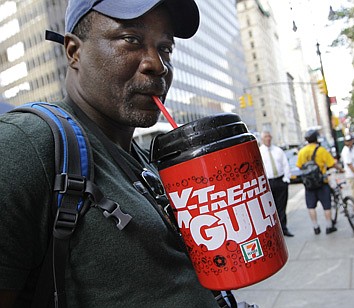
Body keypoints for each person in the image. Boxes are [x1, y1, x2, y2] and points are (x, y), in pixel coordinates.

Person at [0, 1, 222, 307]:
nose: (158, 64)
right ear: (73, 52)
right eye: (130, 39)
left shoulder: (140, 158)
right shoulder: (24, 145)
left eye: (165, 47)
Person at [296, 129, 343, 235]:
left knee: (311, 207)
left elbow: (299, 166)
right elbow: (331, 163)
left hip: (309, 184)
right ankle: (329, 226)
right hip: (322, 182)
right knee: (327, 206)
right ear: (317, 138)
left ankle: (315, 227)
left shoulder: (302, 152)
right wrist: (340, 169)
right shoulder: (321, 150)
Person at [259, 131, 294, 237]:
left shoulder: (278, 151)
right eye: (266, 137)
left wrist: (286, 179)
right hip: (268, 182)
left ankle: (284, 228)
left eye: (269, 136)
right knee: (269, 208)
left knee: (281, 206)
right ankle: (274, 231)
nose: (268, 138)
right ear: (262, 139)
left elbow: (285, 164)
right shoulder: (259, 151)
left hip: (280, 181)